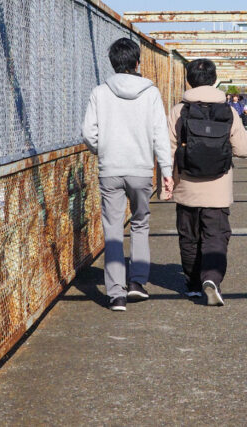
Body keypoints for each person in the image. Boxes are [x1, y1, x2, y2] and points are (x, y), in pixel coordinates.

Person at [82, 38, 174, 312]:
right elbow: (160, 136)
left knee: (112, 230)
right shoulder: (151, 93)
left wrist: (105, 148)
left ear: (113, 63)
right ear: (137, 63)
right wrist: (166, 172)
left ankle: (116, 295)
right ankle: (136, 283)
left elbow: (88, 133)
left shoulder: (100, 92)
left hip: (110, 168)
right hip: (141, 169)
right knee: (140, 223)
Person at [169, 59, 247, 306]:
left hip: (186, 185)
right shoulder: (228, 112)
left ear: (189, 80)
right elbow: (244, 149)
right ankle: (212, 278)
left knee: (189, 236)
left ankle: (193, 284)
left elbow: (167, 148)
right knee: (216, 235)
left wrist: (167, 180)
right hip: (218, 186)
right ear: (215, 80)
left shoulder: (179, 110)